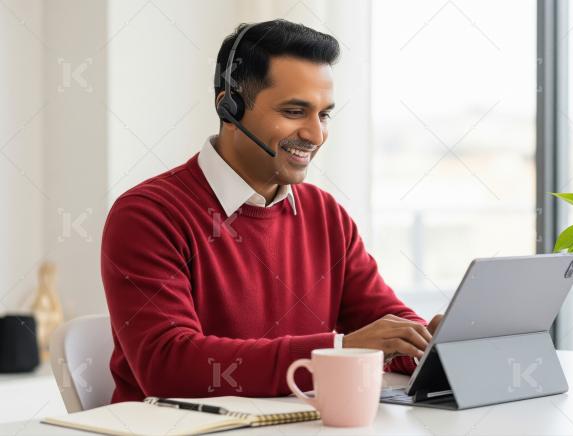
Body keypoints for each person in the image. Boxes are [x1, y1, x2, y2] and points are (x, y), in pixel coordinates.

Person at [101, 19, 442, 402]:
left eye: (324, 114)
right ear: (229, 107)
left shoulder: (325, 214)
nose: (315, 135)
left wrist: (431, 343)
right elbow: (169, 367)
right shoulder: (148, 216)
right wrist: (338, 351)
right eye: (295, 111)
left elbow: (381, 325)